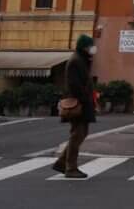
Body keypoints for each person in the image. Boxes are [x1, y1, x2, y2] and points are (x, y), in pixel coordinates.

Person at [54, 35, 97, 178]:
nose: (92, 48)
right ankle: (70, 167)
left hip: (82, 102)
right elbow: (74, 84)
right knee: (77, 135)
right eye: (90, 46)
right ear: (84, 47)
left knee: (80, 134)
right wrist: (84, 99)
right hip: (78, 103)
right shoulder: (76, 61)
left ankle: (62, 163)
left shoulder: (82, 60)